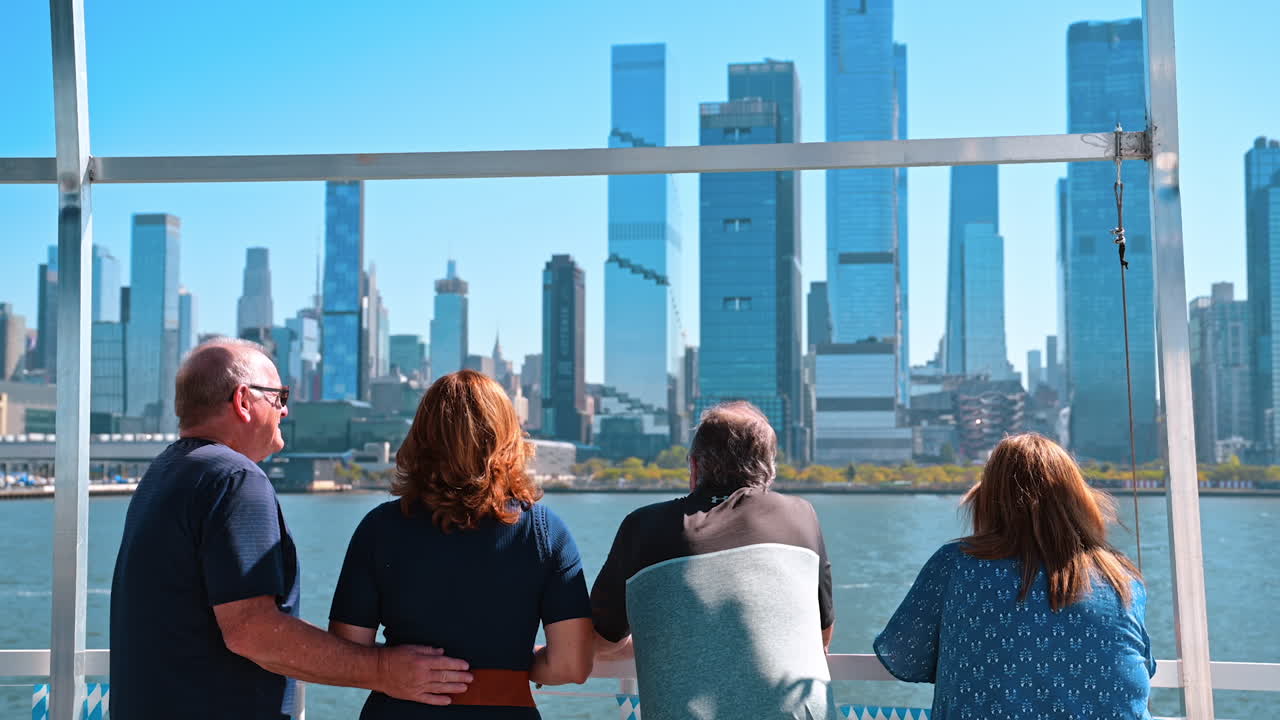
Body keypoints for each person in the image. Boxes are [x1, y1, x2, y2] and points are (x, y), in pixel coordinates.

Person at [110, 339, 473, 719]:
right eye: (279, 396)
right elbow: (252, 629)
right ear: (243, 401)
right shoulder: (235, 479)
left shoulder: (164, 474)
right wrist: (385, 670)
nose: (285, 410)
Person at [328, 370, 594, 719]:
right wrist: (509, 668)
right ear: (508, 437)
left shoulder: (378, 528)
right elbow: (572, 665)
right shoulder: (546, 532)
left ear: (420, 437)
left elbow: (346, 652)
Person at [875, 432, 1156, 719]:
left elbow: (906, 657)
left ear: (989, 499)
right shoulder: (1119, 575)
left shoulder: (956, 564)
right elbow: (1140, 664)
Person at [591, 401, 836, 720]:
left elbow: (599, 640)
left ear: (694, 467)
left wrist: (668, 635)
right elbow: (822, 636)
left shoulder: (643, 528)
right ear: (769, 470)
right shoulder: (801, 516)